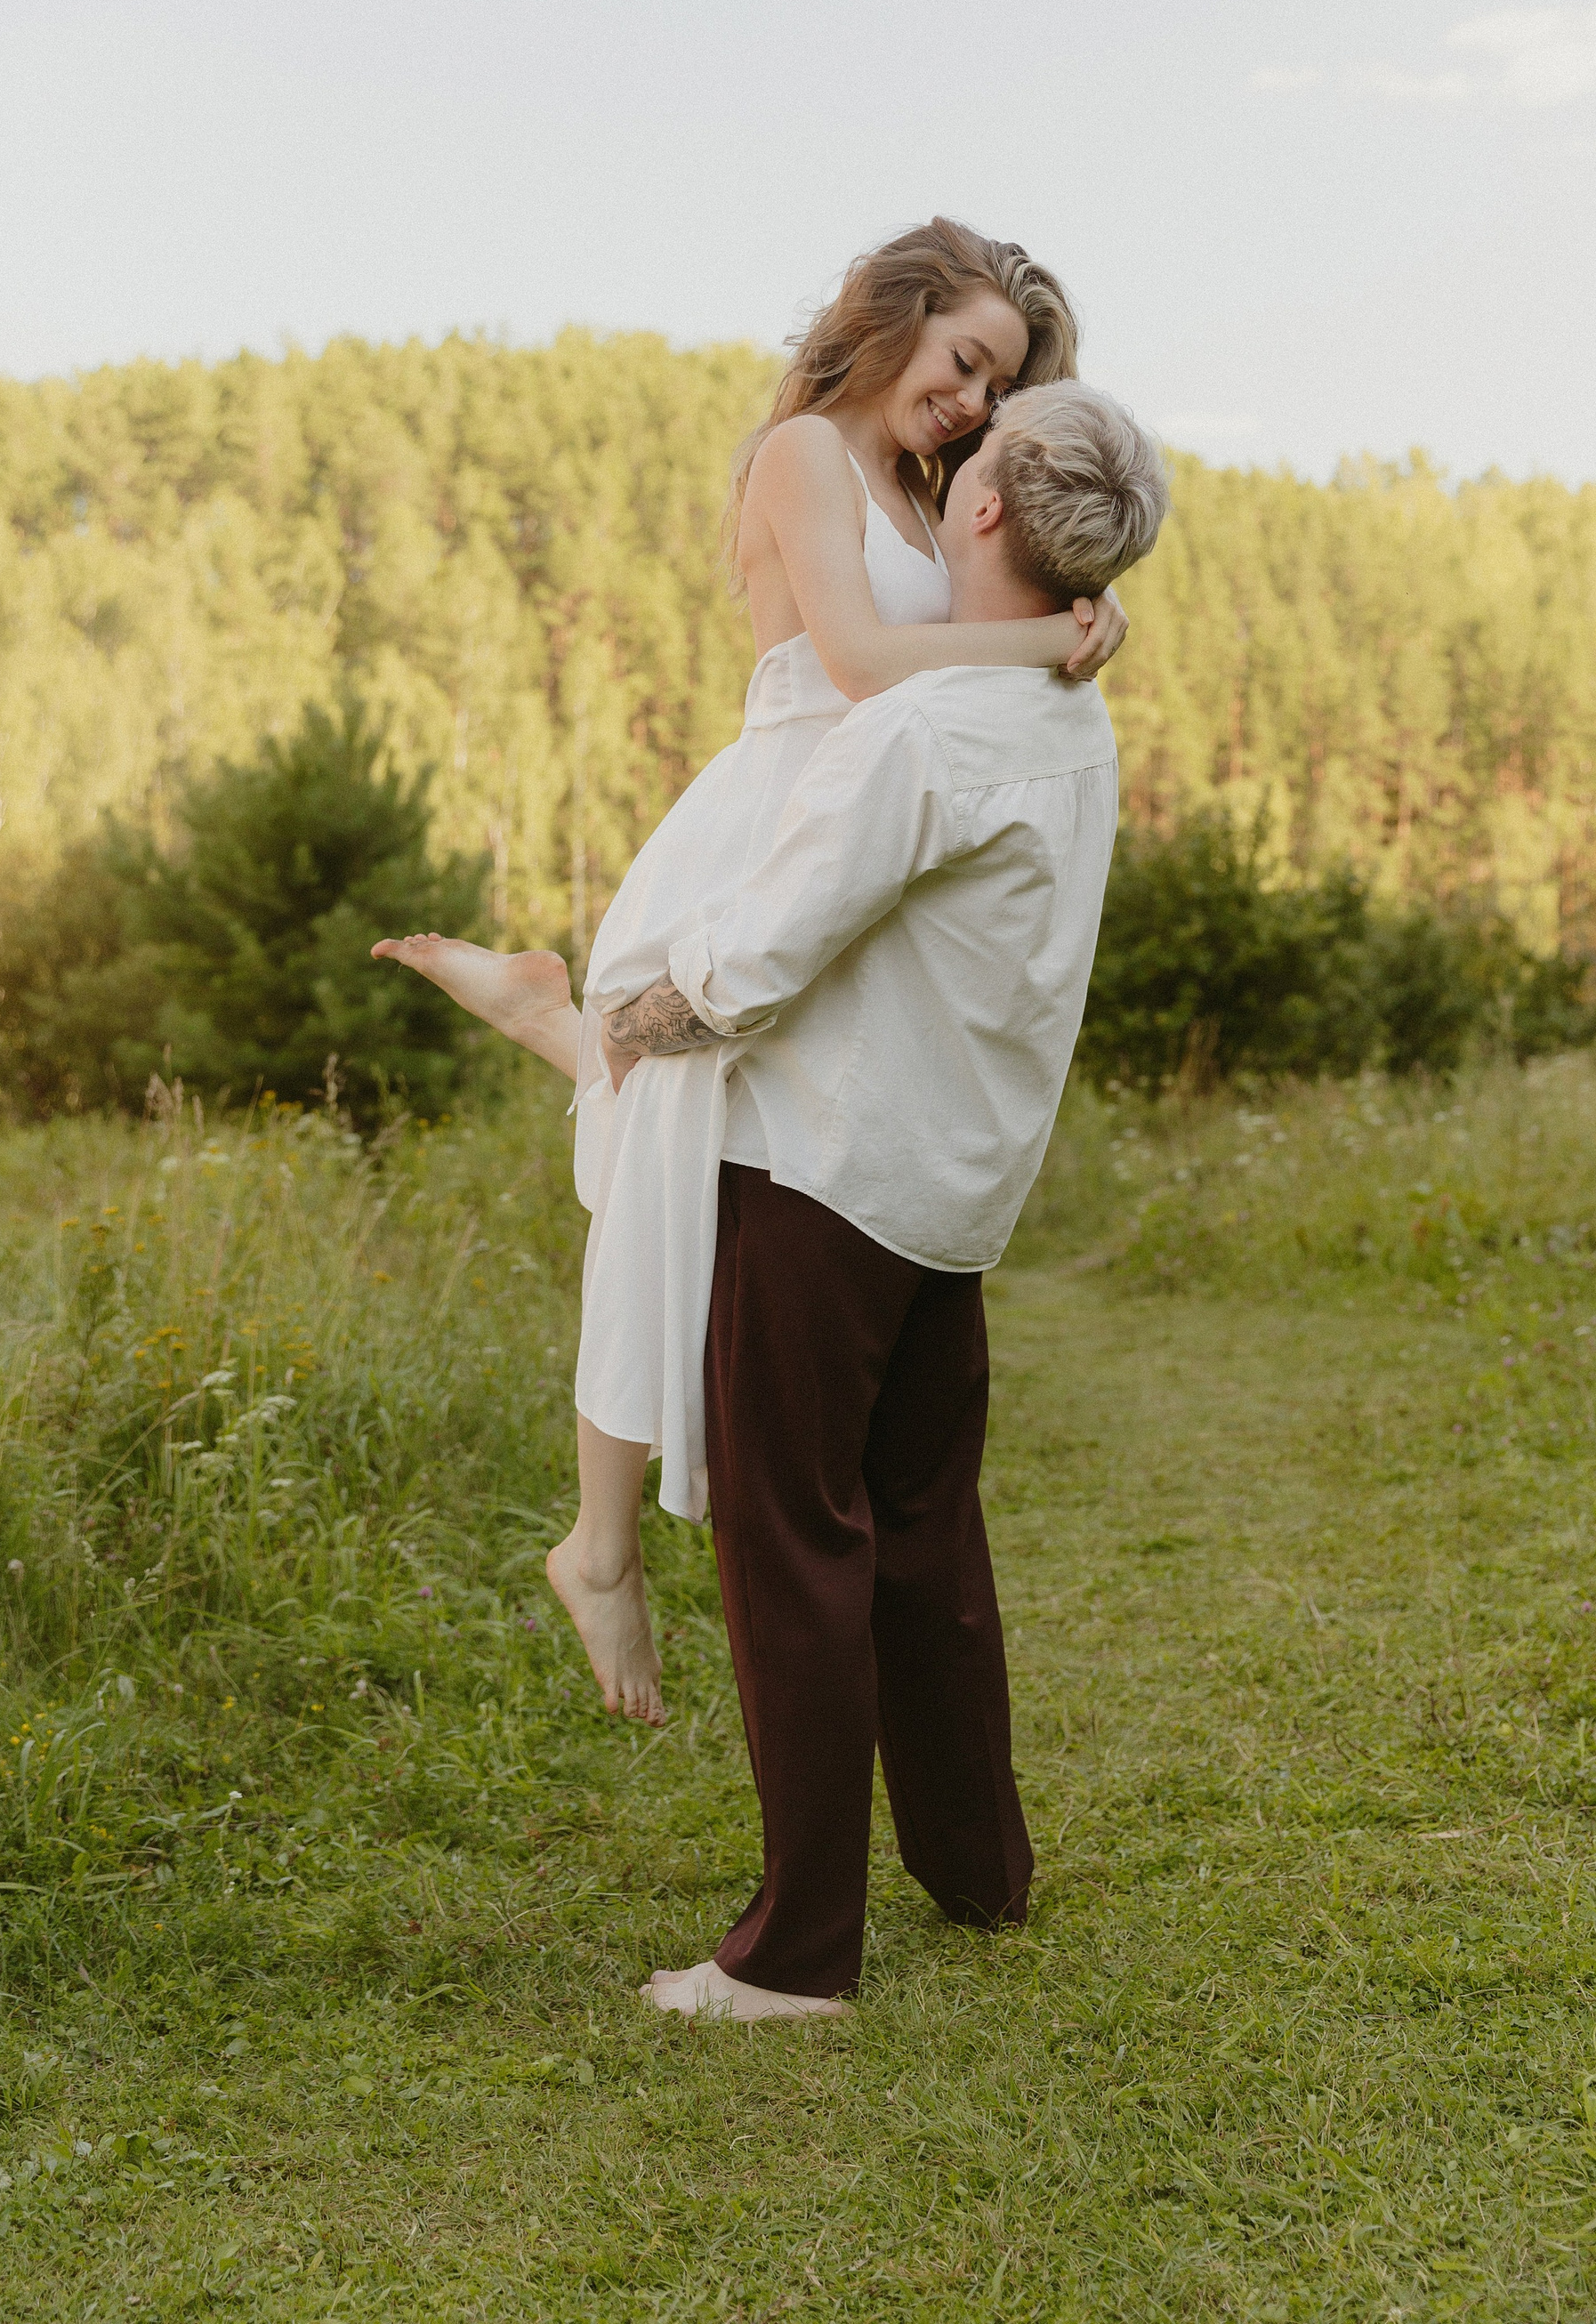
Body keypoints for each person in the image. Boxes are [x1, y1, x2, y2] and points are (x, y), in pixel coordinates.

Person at [376, 222, 1129, 1728]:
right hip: (781, 815)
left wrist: (1072, 608)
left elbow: (950, 648)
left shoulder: (926, 491)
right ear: (900, 314)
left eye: (1001, 386)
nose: (976, 401)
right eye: (967, 359)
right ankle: (598, 1544)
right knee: (665, 1148)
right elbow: (854, 664)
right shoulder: (805, 454)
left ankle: (557, 1024)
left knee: (681, 1127)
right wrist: (1046, 638)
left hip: (858, 830)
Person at [590, 381, 1170, 2018]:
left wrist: (623, 1028)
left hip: (827, 1174)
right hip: (956, 1181)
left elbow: (754, 960)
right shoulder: (1069, 713)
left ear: (982, 511)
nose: (952, 455)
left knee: (794, 1544)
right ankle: (980, 1868)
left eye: (974, 455)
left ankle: (795, 1958)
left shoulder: (924, 731)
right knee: (922, 1526)